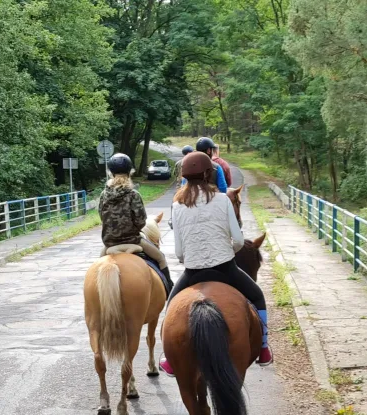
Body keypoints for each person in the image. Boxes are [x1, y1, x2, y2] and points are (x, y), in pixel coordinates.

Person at [159, 151, 272, 376]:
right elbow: (238, 240)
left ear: (185, 176)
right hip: (226, 268)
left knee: (171, 307)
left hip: (193, 272)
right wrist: (225, 251)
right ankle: (263, 348)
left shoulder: (177, 206)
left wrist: (194, 257)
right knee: (257, 295)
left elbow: (179, 252)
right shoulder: (222, 199)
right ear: (209, 174)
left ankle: (169, 357)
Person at [98, 153, 172, 294]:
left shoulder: (103, 194)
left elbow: (102, 217)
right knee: (161, 258)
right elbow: (141, 221)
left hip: (109, 244)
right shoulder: (133, 195)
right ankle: (169, 289)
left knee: (97, 268)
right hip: (134, 241)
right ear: (130, 172)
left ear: (110, 173)